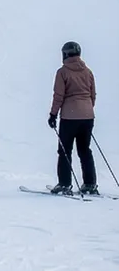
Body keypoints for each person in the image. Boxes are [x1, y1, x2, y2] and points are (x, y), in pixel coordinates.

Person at [49, 41, 98, 195]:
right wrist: (86, 110)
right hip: (88, 116)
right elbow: (93, 94)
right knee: (84, 150)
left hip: (70, 117)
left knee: (64, 150)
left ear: (65, 54)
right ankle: (90, 184)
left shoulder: (62, 72)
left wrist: (53, 115)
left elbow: (59, 96)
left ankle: (64, 184)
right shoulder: (88, 71)